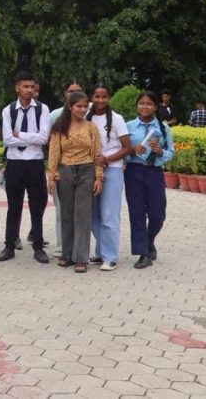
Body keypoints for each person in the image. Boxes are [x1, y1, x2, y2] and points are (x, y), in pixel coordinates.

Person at [0, 71, 51, 264]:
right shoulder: (8, 110)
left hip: (35, 163)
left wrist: (19, 134)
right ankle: (9, 245)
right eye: (25, 86)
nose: (29, 90)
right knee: (14, 206)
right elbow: (7, 139)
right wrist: (30, 138)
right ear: (17, 88)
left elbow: (43, 138)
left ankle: (38, 247)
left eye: (31, 87)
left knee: (37, 206)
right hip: (15, 163)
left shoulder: (42, 109)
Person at [47, 91, 103, 274]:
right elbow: (54, 152)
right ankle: (67, 254)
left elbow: (97, 154)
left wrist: (99, 177)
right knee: (66, 215)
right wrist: (52, 176)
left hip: (87, 172)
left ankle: (81, 258)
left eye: (85, 106)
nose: (82, 109)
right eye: (79, 106)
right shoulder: (59, 127)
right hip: (65, 172)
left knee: (83, 215)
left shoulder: (91, 128)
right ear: (70, 107)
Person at [125, 91, 174, 269]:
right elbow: (121, 150)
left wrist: (160, 152)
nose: (144, 107)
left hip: (154, 172)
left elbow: (171, 151)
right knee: (137, 213)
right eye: (141, 103)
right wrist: (132, 151)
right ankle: (143, 253)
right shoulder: (128, 126)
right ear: (137, 106)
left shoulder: (163, 127)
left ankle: (149, 241)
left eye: (149, 104)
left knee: (157, 215)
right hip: (134, 172)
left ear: (155, 107)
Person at [87, 84, 132, 271]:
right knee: (92, 215)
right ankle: (100, 251)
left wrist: (108, 159)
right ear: (91, 97)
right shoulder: (86, 116)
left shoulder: (117, 119)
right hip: (89, 170)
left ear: (109, 97)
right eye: (97, 96)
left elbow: (127, 147)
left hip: (112, 170)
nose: (100, 100)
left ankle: (110, 256)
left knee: (109, 214)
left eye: (104, 96)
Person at [43, 79, 85, 256]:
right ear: (65, 94)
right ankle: (62, 246)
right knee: (62, 210)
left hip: (84, 169)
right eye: (70, 91)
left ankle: (79, 248)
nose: (74, 94)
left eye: (78, 90)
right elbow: (48, 141)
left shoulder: (86, 113)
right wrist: (53, 169)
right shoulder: (55, 115)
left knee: (81, 211)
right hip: (62, 168)